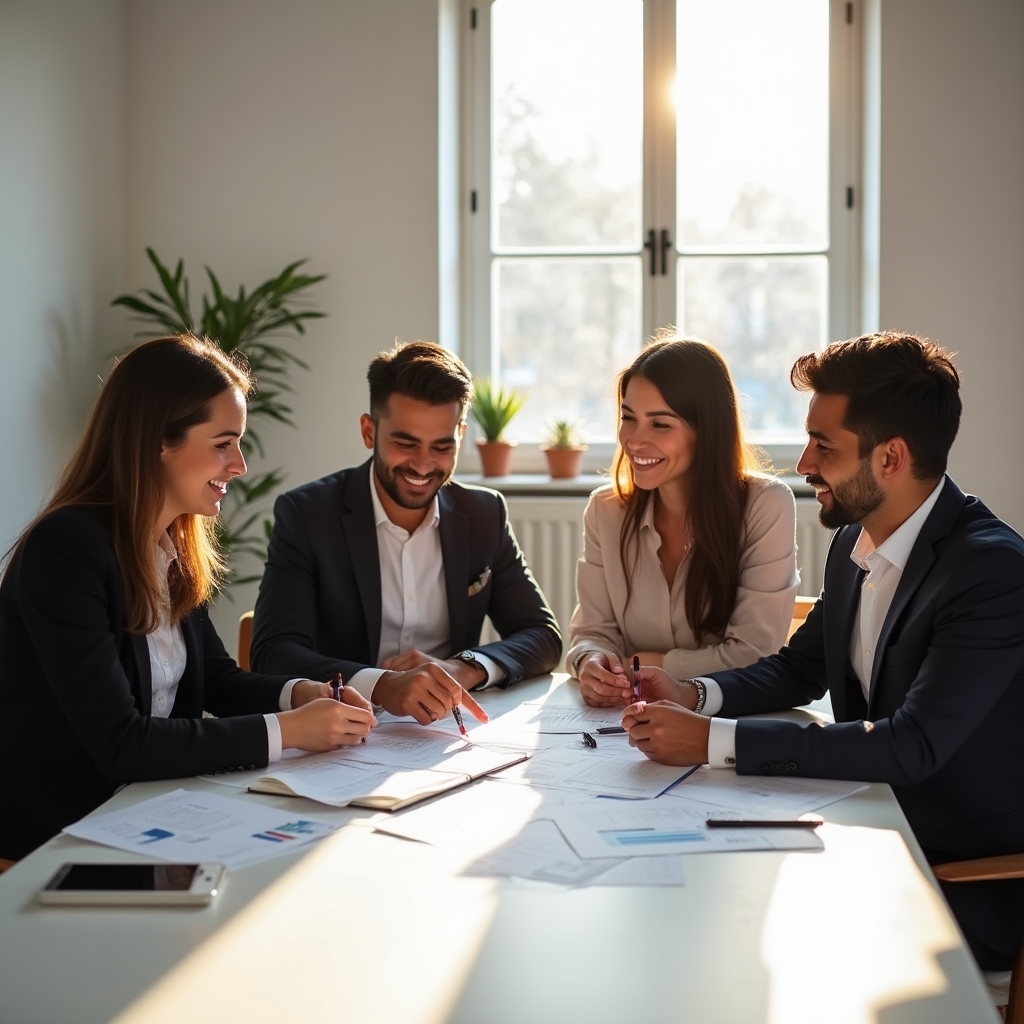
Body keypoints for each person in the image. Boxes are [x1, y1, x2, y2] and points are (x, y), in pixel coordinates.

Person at [622, 331, 1024, 976]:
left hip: (955, 878)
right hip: (863, 827)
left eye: (824, 446)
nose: (805, 462)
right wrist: (694, 694)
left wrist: (712, 741)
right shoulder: (855, 543)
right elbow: (799, 668)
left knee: (735, 949)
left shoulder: (990, 571)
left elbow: (910, 745)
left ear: (890, 457)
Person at [0, 335, 377, 862]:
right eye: (224, 444)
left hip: (147, 813)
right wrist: (287, 731)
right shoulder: (65, 551)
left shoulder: (171, 544)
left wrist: (299, 696)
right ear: (159, 441)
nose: (240, 465)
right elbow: (122, 744)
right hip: (60, 838)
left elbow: (217, 681)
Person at [250, 341, 561, 724]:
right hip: (343, 731)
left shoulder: (484, 513)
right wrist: (381, 685)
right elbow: (272, 651)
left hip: (447, 733)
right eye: (405, 443)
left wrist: (463, 668)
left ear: (461, 435)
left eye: (442, 446)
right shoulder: (308, 515)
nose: (423, 464)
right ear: (369, 431)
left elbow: (541, 635)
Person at [566, 337, 799, 708]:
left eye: (660, 424)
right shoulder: (605, 509)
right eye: (628, 418)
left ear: (707, 430)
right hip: (625, 722)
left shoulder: (765, 504)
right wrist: (591, 661)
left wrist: (639, 664)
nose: (634, 441)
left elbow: (754, 654)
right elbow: (593, 631)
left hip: (730, 719)